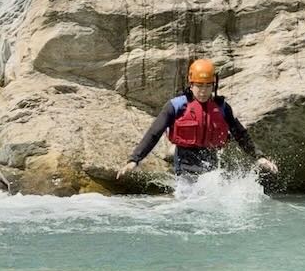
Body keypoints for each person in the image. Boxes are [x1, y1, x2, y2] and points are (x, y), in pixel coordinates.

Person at [117, 58, 278, 180]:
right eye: (199, 86)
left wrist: (259, 157)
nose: (203, 91)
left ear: (213, 86)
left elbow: (240, 134)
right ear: (191, 83)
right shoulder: (176, 105)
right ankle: (172, 150)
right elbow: (154, 133)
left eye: (208, 86)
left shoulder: (222, 108)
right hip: (185, 162)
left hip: (211, 161)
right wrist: (134, 160)